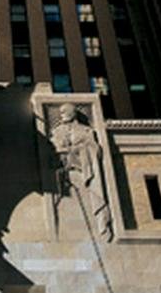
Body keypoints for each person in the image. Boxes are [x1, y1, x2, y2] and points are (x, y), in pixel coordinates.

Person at [50, 102, 112, 241]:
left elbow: (95, 148)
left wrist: (78, 150)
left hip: (84, 170)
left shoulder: (86, 130)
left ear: (73, 113)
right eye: (60, 112)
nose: (62, 114)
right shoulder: (57, 131)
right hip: (64, 173)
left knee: (96, 192)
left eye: (65, 111)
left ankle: (103, 223)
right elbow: (52, 148)